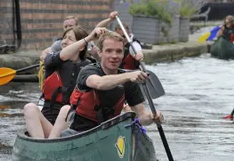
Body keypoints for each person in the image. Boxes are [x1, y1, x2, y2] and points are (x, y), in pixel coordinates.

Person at [34, 30, 163, 139]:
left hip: (108, 135)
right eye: (109, 51)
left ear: (123, 54)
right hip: (79, 133)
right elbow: (99, 83)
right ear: (100, 53)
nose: (114, 56)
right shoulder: (88, 71)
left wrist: (152, 117)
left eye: (119, 51)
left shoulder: (129, 81)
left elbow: (141, 117)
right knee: (66, 134)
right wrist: (129, 75)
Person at [24, 26, 102, 138]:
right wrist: (89, 38)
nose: (64, 41)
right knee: (29, 108)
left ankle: (50, 146)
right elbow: (64, 55)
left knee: (66, 110)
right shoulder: (51, 60)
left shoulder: (89, 68)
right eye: (64, 37)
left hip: (70, 126)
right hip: (48, 121)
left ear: (81, 47)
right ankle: (41, 145)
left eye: (70, 39)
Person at [38, 16, 79, 90]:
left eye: (71, 26)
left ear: (77, 27)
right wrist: (48, 63)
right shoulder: (59, 44)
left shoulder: (86, 42)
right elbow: (45, 54)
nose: (68, 28)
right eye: (65, 26)